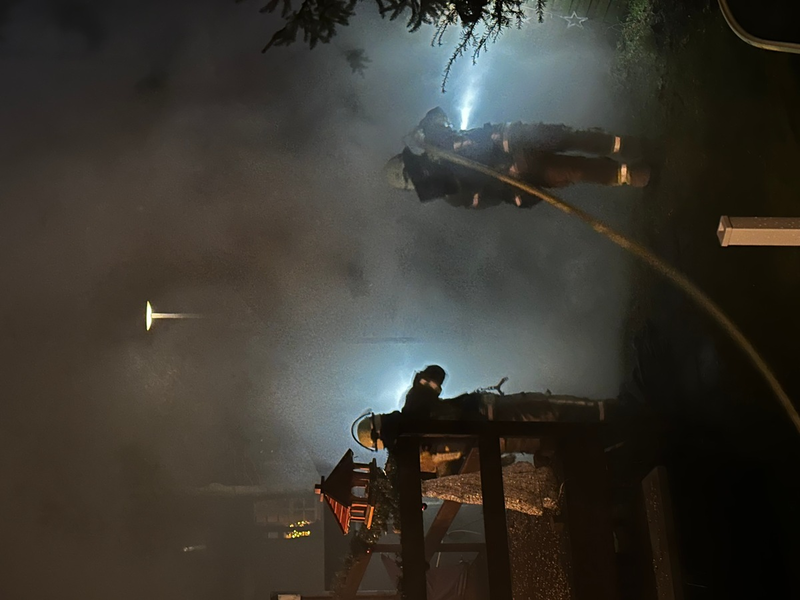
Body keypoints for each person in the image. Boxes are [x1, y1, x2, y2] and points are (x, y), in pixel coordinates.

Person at [384, 107, 652, 210]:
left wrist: (423, 129)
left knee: (570, 137)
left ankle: (623, 145)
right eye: (414, 181)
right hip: (522, 172)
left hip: (515, 138)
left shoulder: (432, 140)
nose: (421, 175)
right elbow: (490, 196)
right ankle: (627, 174)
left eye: (412, 170)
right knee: (575, 171)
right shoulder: (453, 194)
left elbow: (437, 115)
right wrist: (513, 182)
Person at [353, 364, 612, 465]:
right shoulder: (414, 405)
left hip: (500, 443)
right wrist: (423, 382)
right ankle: (611, 412)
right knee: (552, 408)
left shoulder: (415, 461)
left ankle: (610, 437)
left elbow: (456, 470)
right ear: (381, 417)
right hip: (494, 411)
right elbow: (437, 373)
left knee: (553, 441)